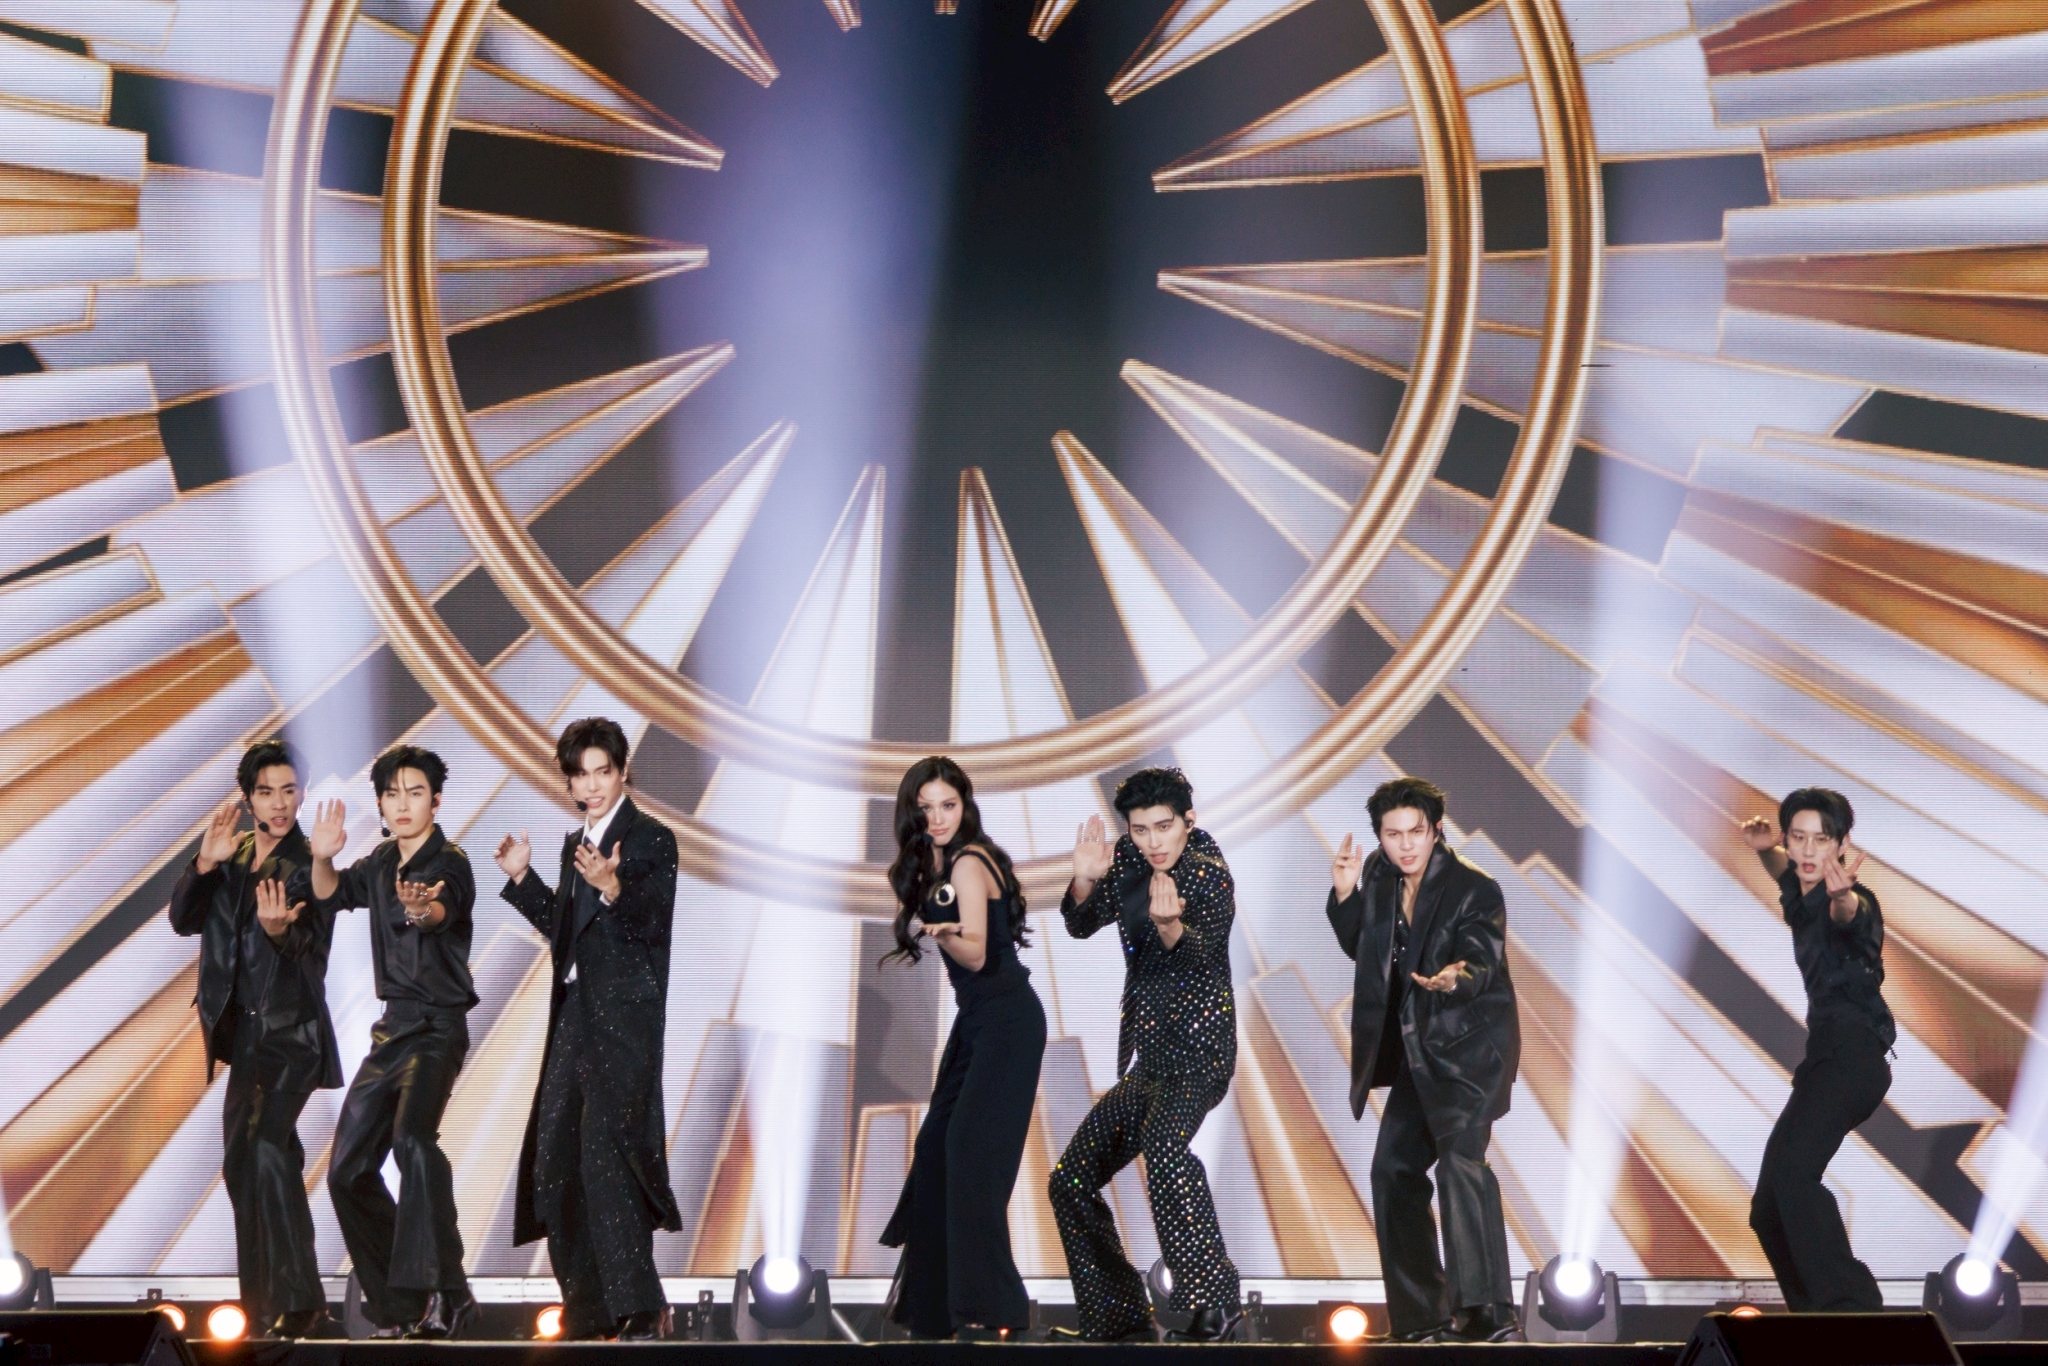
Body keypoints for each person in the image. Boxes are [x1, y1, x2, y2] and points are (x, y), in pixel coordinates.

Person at [496, 717, 682, 1341]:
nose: (594, 784)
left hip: (625, 1019)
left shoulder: (651, 838)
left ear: (623, 772)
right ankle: (587, 1310)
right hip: (575, 1013)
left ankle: (639, 1307)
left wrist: (613, 887)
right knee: (556, 1161)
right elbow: (566, 931)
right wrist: (523, 880)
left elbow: (653, 919)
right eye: (582, 774)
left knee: (608, 1157)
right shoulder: (576, 843)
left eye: (605, 771)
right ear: (570, 782)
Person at [1045, 767, 1241, 1344]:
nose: (1154, 841)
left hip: (1200, 1054)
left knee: (1165, 1148)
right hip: (1150, 1062)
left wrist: (1171, 926)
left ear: (1188, 821)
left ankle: (1215, 1303)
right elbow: (1081, 924)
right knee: (1070, 1181)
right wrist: (1084, 880)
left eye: (1164, 827)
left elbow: (1203, 958)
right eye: (1140, 829)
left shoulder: (1208, 874)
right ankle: (1118, 1315)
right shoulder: (1131, 862)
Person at [1328, 776, 1520, 1343]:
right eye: (1394, 834)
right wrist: (1346, 895)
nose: (1406, 844)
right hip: (1419, 1053)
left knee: (1461, 1164)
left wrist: (1456, 977)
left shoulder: (1473, 887)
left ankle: (1488, 1314)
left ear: (1436, 830)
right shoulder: (1378, 876)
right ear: (1380, 838)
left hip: (1469, 1052)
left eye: (1416, 831)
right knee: (1393, 1170)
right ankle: (1421, 1318)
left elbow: (1481, 956)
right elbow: (1364, 949)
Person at [168, 739, 340, 1340]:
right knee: (245, 1165)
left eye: (289, 790)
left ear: (303, 793)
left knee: (266, 1149)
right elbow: (183, 920)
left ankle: (302, 1303)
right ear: (248, 799)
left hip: (291, 1033)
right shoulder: (231, 853)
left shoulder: (310, 862)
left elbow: (312, 951)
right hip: (244, 1037)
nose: (280, 803)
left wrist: (277, 932)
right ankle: (266, 1310)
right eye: (267, 792)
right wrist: (203, 865)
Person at [310, 745, 478, 1339]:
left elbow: (438, 914)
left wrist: (420, 910)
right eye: (392, 794)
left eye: (415, 792)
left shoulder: (451, 862)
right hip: (391, 1030)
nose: (403, 804)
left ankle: (449, 1289)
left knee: (412, 1142)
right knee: (347, 1172)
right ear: (380, 804)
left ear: (437, 800)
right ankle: (401, 1305)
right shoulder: (382, 860)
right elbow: (330, 893)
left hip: (437, 1026)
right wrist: (322, 857)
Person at [877, 757, 1047, 1342]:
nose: (938, 817)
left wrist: (942, 931)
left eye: (947, 805)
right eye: (926, 808)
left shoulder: (970, 862)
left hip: (1008, 1024)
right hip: (977, 1024)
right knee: (935, 1150)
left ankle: (998, 1308)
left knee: (969, 1157)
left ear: (964, 805)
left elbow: (975, 953)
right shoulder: (935, 864)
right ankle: (934, 1311)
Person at [1740, 788, 1893, 1312]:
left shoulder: (1848, 902)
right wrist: (1766, 850)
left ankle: (1851, 1310)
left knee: (1794, 1178)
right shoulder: (1803, 894)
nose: (1808, 851)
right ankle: (1811, 1316)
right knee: (1768, 1207)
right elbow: (1788, 875)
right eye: (1798, 838)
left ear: (1842, 845)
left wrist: (1842, 896)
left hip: (1853, 1060)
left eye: (1821, 840)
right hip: (1824, 1061)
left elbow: (1848, 913)